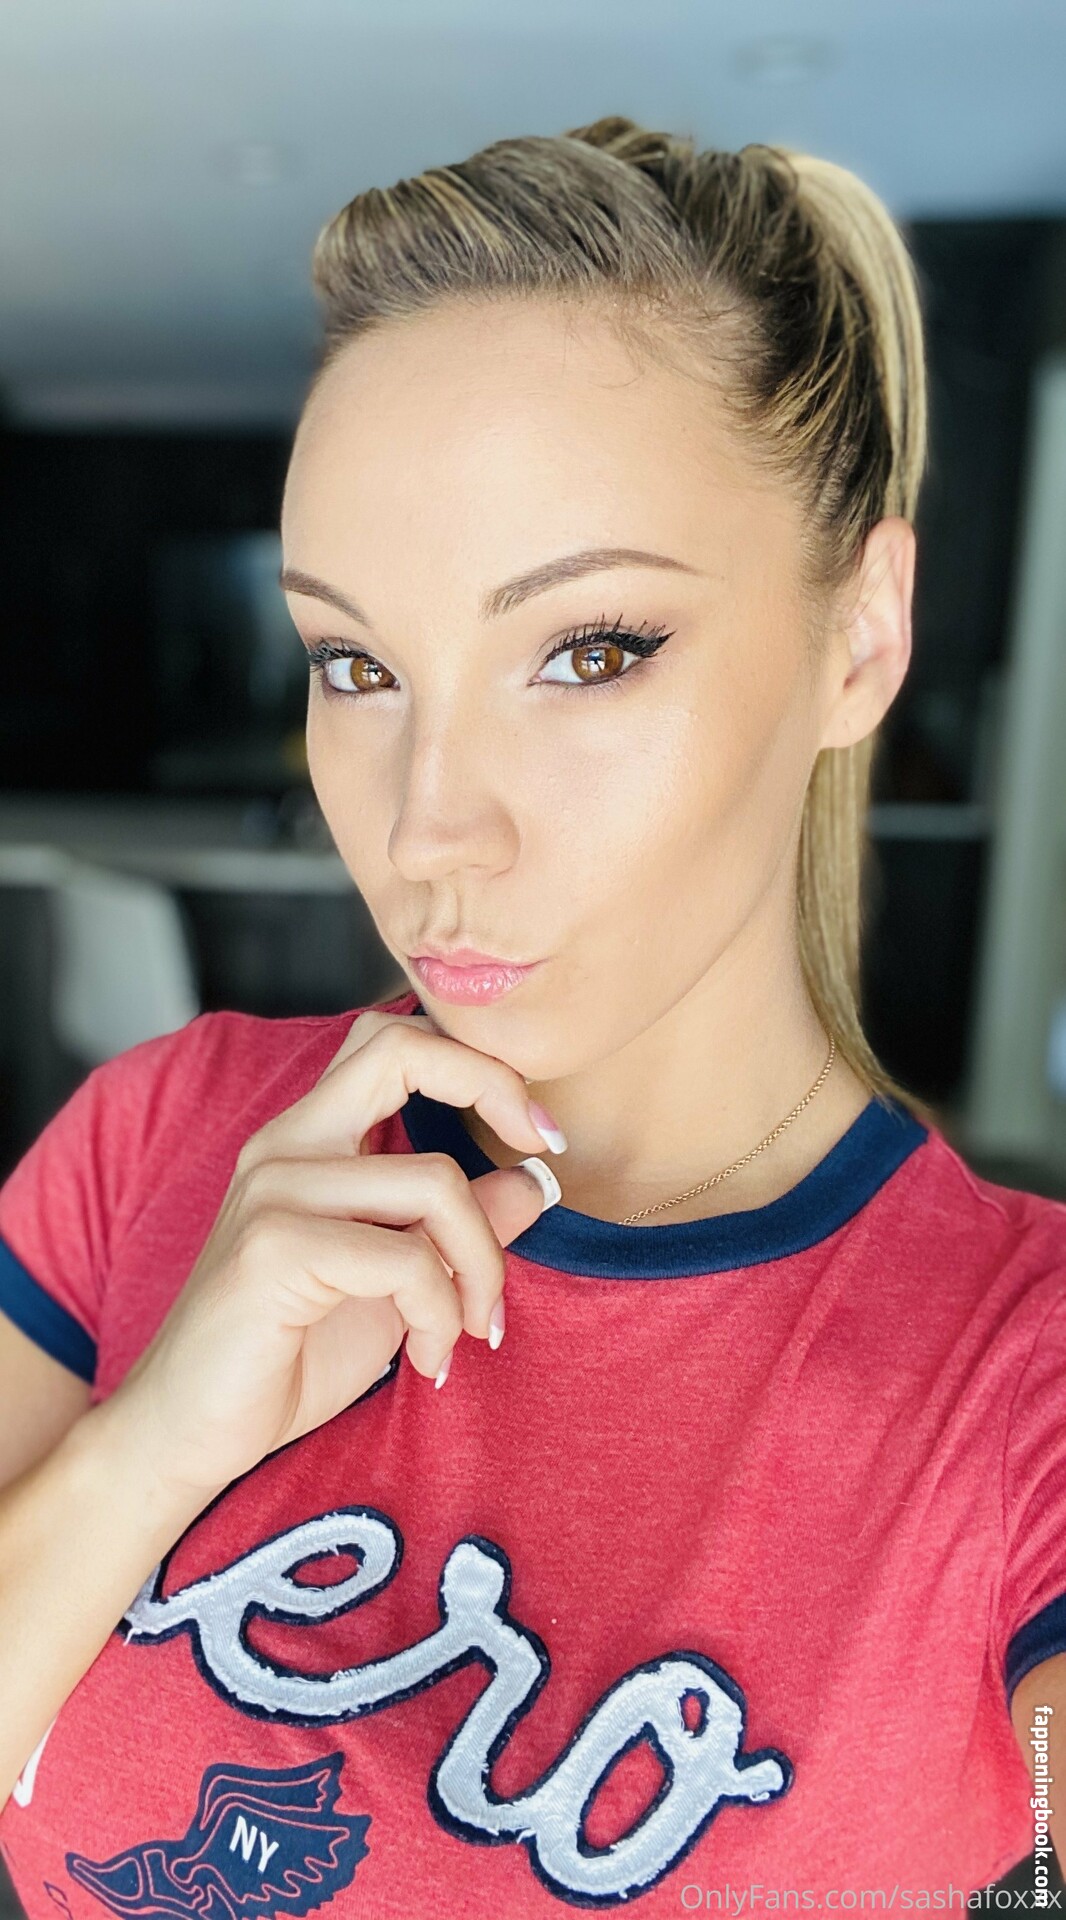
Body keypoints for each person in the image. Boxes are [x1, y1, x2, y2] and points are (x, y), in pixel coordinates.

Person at [0, 114, 1063, 1915]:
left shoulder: (1013, 1376)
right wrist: (152, 1443)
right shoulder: (162, 1135)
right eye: (355, 664)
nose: (426, 829)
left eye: (589, 651)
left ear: (860, 637)